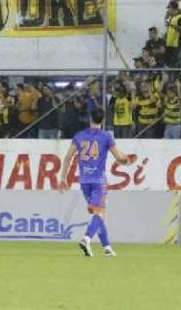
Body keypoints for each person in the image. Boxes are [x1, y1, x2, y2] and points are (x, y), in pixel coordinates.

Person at [58, 107, 137, 258]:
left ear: (90, 119)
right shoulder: (106, 136)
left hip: (84, 181)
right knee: (99, 213)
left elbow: (68, 157)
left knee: (98, 214)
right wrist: (127, 161)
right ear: (103, 120)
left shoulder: (79, 136)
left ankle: (107, 247)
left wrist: (63, 178)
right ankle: (86, 238)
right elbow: (119, 158)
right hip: (98, 180)